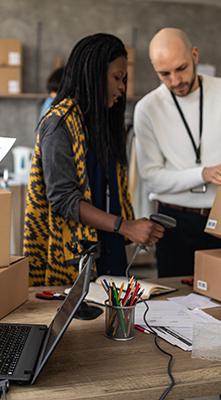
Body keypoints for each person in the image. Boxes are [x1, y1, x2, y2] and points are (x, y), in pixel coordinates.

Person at [23, 33, 164, 286]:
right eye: (117, 78)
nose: (122, 87)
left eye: (124, 79)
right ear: (94, 74)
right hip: (74, 256)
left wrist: (129, 227)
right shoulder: (58, 125)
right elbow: (64, 199)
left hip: (110, 249)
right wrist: (125, 226)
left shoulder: (104, 124)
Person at [134, 28, 221, 278]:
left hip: (218, 216)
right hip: (173, 221)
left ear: (194, 55)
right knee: (173, 302)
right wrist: (203, 173)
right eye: (164, 73)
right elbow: (151, 177)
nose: (175, 81)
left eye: (181, 68)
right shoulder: (147, 108)